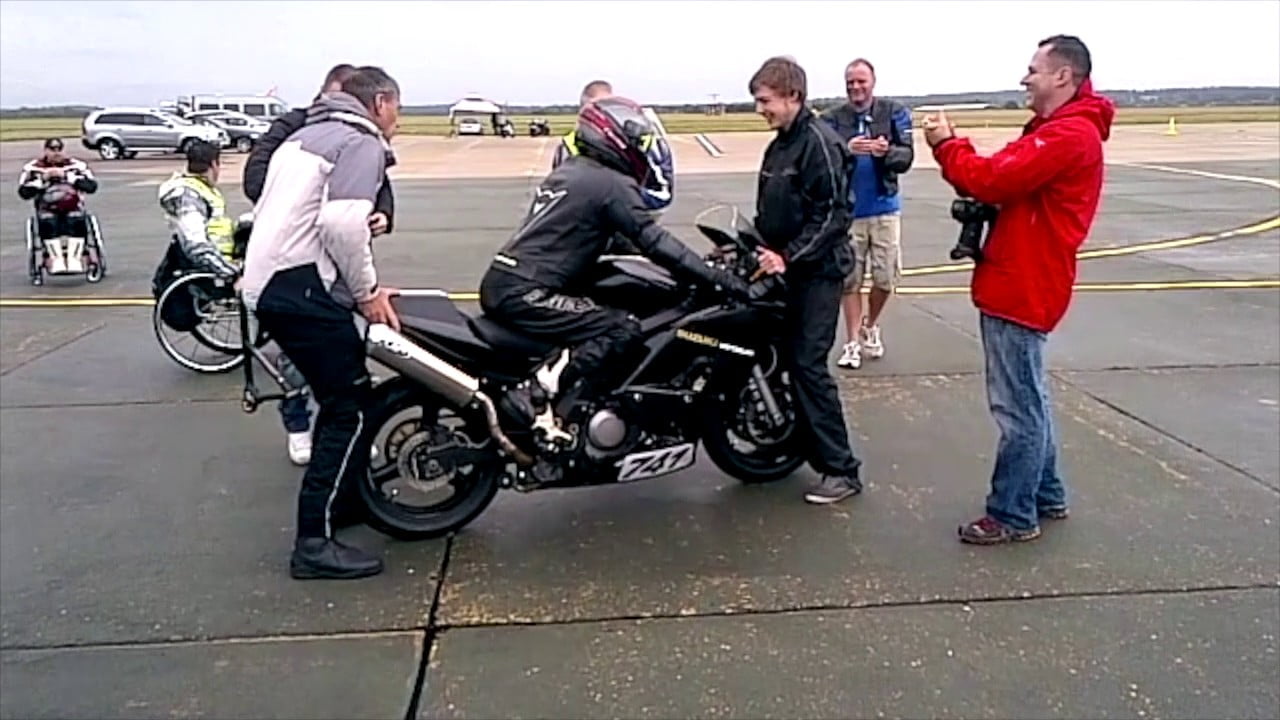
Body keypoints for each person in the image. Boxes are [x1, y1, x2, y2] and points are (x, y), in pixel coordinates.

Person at [922, 35, 1114, 544]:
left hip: (1024, 284)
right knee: (1031, 397)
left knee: (1017, 407)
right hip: (1026, 281)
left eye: (1033, 69)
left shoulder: (1068, 136)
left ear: (1062, 77)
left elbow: (991, 179)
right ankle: (1044, 494)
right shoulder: (1057, 131)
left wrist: (946, 144)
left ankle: (1012, 513)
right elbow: (999, 176)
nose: (1025, 79)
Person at [478, 96, 750, 441]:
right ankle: (535, 394)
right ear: (614, 135)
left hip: (509, 280)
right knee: (622, 328)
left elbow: (608, 238)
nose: (640, 146)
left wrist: (692, 261)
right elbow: (654, 241)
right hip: (527, 291)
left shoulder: (573, 172)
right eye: (636, 139)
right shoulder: (610, 184)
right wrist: (716, 277)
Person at [241, 66, 403, 580]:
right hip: (298, 288)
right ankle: (313, 543)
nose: (397, 118)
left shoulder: (307, 135)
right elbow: (342, 224)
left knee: (347, 396)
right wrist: (367, 294)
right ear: (379, 102)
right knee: (347, 406)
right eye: (397, 106)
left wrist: (355, 290)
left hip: (277, 282)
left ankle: (344, 503)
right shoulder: (360, 142)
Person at [748, 56, 865, 505]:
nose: (761, 109)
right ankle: (790, 446)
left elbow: (834, 214)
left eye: (765, 101)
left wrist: (788, 257)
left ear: (792, 96)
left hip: (817, 273)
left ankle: (841, 469)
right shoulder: (780, 144)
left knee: (808, 365)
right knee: (781, 356)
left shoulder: (818, 142)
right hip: (789, 268)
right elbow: (771, 211)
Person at [822, 59, 915, 370]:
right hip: (849, 214)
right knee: (850, 280)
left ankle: (869, 324)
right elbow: (822, 157)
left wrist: (885, 152)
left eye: (860, 81)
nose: (855, 87)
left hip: (884, 208)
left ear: (872, 82)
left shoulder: (894, 113)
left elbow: (906, 156)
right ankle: (851, 343)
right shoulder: (833, 119)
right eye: (850, 82)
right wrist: (846, 148)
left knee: (885, 278)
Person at [549, 80, 676, 214]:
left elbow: (663, 195)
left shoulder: (645, 140)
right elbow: (563, 196)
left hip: (633, 219)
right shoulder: (570, 145)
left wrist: (615, 195)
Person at [156, 140, 240, 280]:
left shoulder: (202, 188)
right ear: (214, 164)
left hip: (214, 269)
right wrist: (232, 274)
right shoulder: (188, 195)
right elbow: (197, 246)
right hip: (202, 278)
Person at [18, 138, 100, 273]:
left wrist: (69, 177)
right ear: (45, 151)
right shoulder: (33, 168)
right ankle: (56, 259)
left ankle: (74, 258)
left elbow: (92, 187)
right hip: (46, 208)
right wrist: (41, 181)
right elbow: (23, 193)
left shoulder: (76, 166)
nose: (56, 153)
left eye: (59, 150)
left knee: (76, 218)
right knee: (47, 220)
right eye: (52, 150)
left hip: (73, 206)